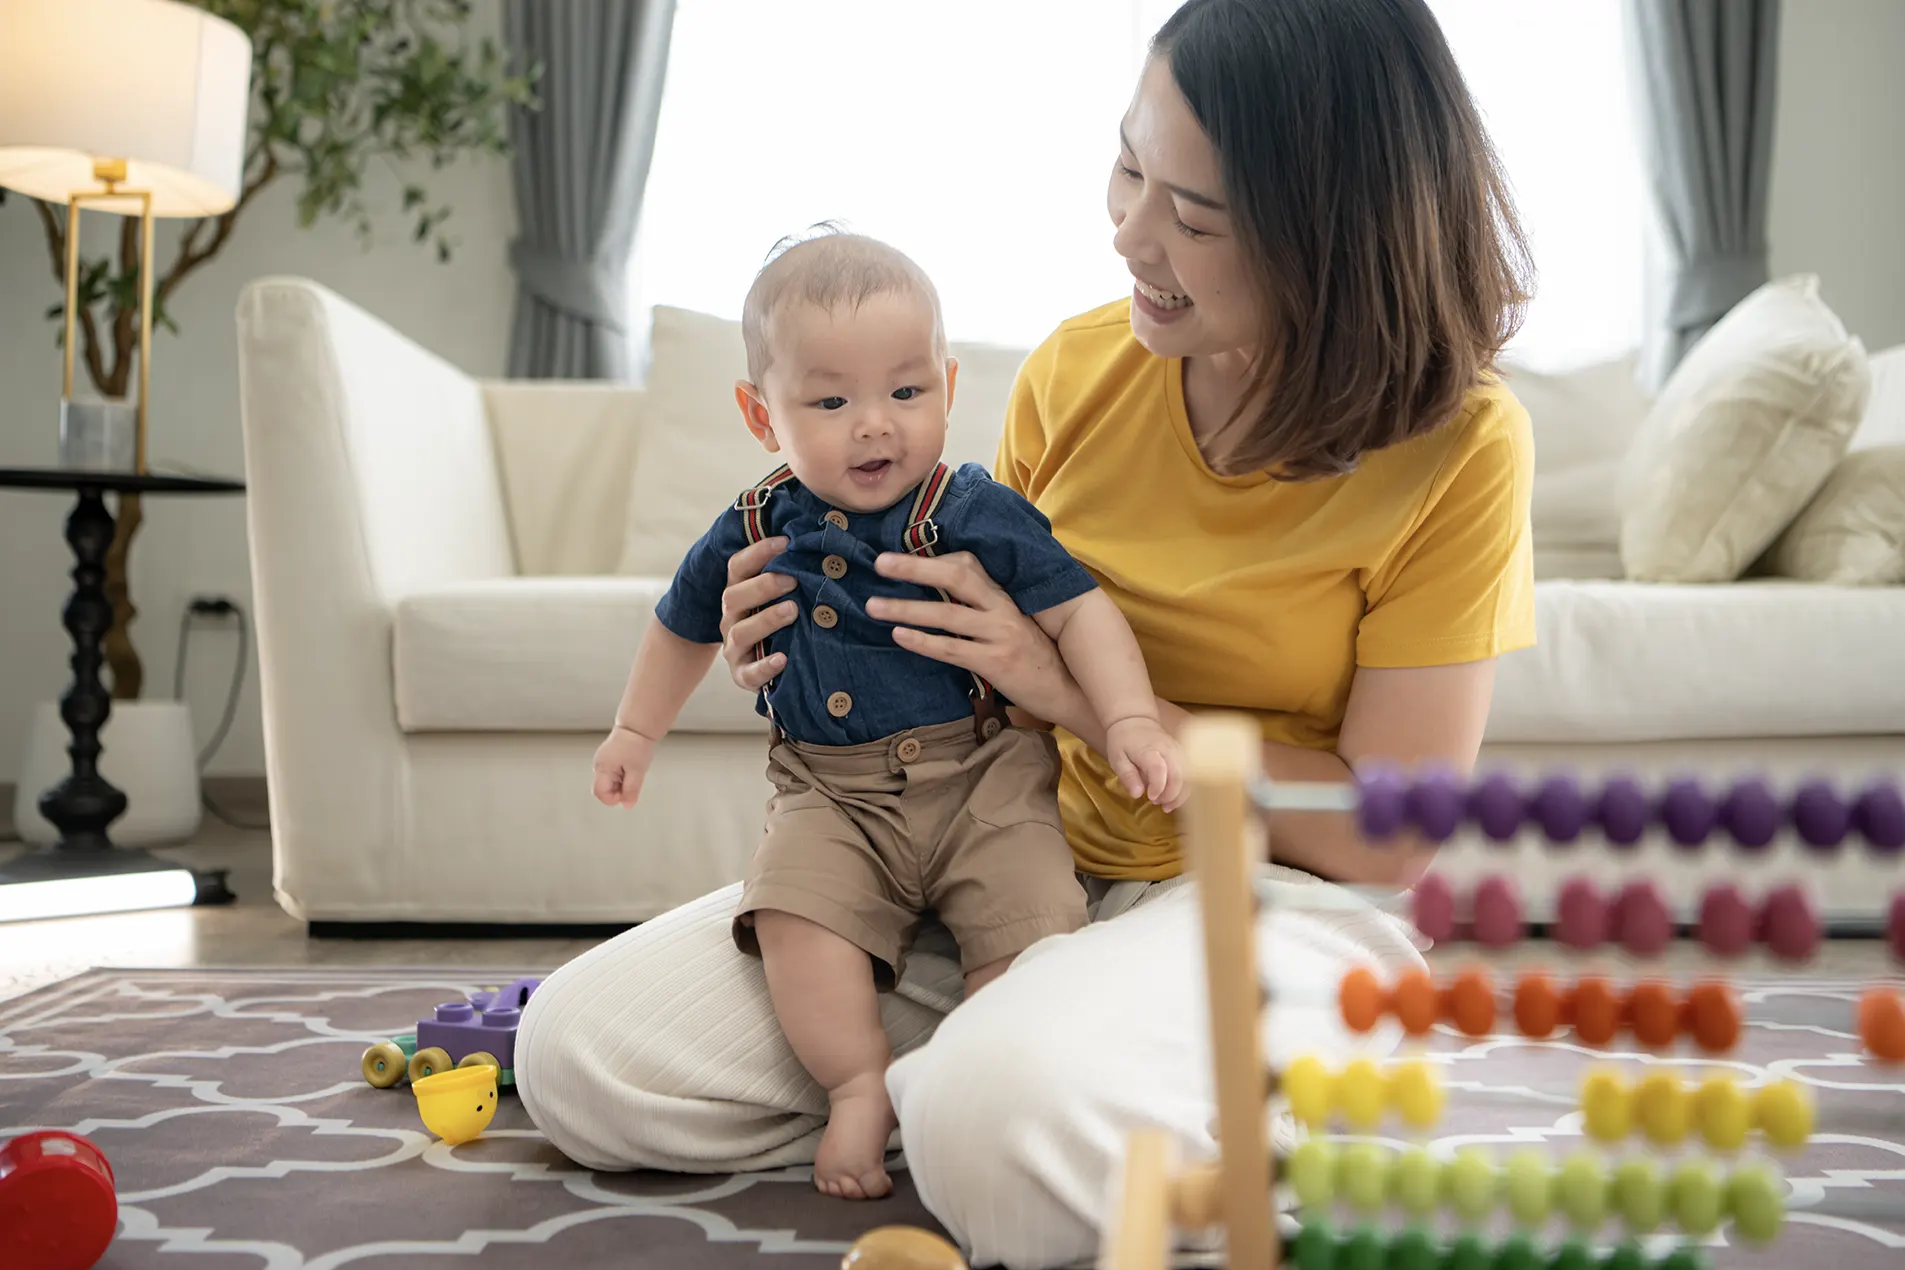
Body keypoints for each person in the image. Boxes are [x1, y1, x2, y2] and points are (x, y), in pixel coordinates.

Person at [516, 0, 1536, 1265]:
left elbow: (1393, 832)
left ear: (1331, 235)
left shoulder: (1461, 446)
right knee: (577, 1058)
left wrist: (1095, 706)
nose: (1129, 232)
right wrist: (795, 634)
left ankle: (1069, 1094)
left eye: (1194, 215)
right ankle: (1024, 1094)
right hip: (1017, 853)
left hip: (1268, 891)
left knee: (991, 1128)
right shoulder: (1080, 367)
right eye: (1127, 166)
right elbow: (967, 629)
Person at [588, 229, 1185, 1201]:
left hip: (985, 780)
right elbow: (679, 627)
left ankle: (982, 1083)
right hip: (829, 794)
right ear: (758, 412)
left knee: (1030, 935)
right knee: (794, 923)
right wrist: (634, 731)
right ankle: (857, 1083)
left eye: (906, 393)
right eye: (830, 401)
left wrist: (1126, 721)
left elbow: (1082, 611)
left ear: (947, 385)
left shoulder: (973, 509)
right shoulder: (753, 525)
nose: (875, 426)